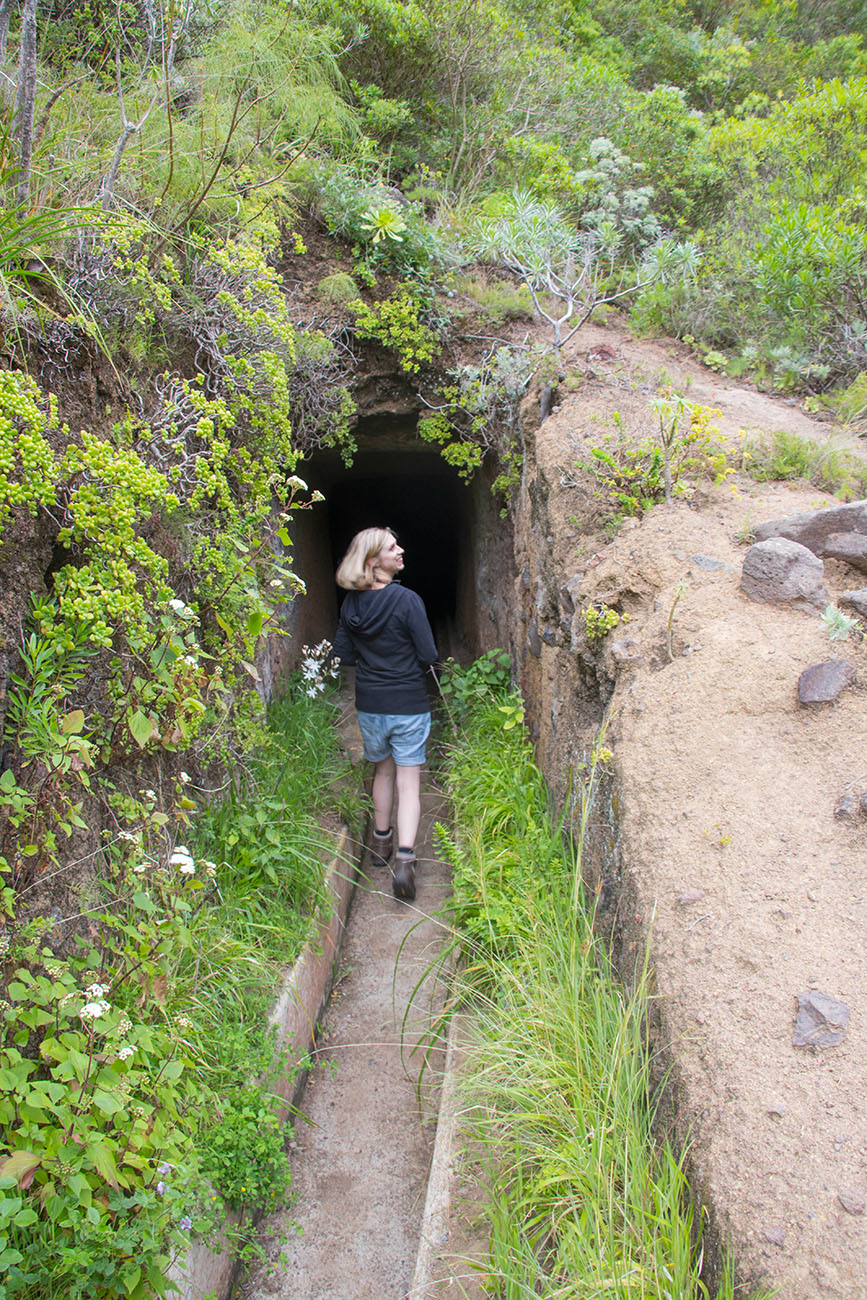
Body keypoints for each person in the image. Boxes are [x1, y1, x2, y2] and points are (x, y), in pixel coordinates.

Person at [333, 527, 438, 901]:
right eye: (393, 547)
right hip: (408, 703)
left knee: (383, 770)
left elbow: (343, 655)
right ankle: (406, 860)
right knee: (409, 781)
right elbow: (428, 655)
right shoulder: (407, 600)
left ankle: (380, 844)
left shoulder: (351, 604)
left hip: (371, 705)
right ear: (373, 560)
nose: (401, 550)